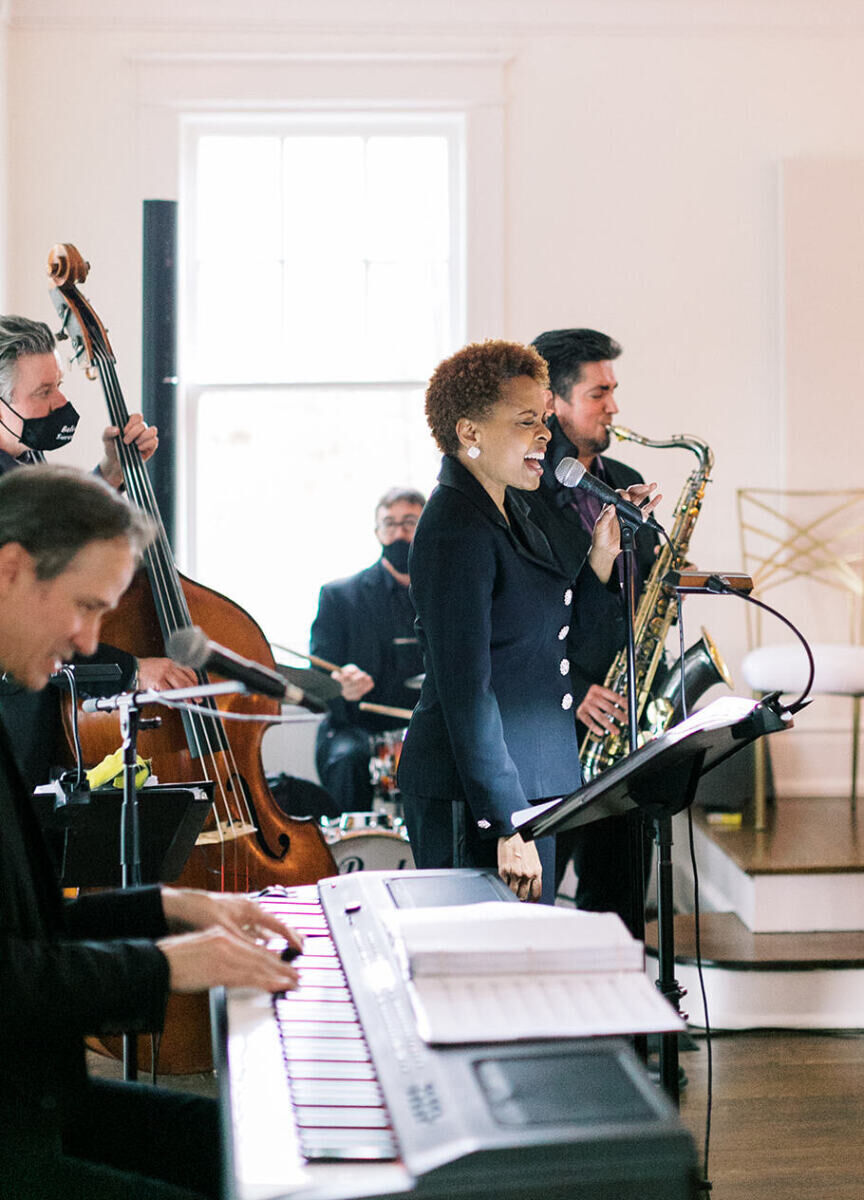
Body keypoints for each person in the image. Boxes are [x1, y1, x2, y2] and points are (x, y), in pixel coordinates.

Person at [0, 465, 302, 1200]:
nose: (89, 643)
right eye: (85, 607)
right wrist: (167, 967)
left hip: (37, 1105)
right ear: (10, 568)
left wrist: (168, 909)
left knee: (267, 1158)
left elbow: (28, 938)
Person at [396, 340, 658, 904]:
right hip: (476, 797)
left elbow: (550, 629)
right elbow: (468, 692)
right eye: (525, 422)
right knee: (479, 975)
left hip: (535, 784)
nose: (544, 433)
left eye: (542, 420)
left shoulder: (512, 507)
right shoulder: (454, 528)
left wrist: (603, 556)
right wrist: (505, 822)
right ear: (470, 432)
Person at [0, 314, 196, 788]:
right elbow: (37, 607)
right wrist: (131, 668)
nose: (61, 403)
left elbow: (54, 539)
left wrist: (109, 473)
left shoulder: (24, 463)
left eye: (59, 386)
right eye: (42, 392)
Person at [521, 327, 659, 926]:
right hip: (553, 728)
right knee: (539, 908)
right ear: (553, 401)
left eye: (613, 390)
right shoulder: (522, 487)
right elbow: (520, 615)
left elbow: (637, 589)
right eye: (599, 392)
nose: (614, 406)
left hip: (623, 724)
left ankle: (626, 1018)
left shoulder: (622, 474)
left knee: (621, 902)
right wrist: (573, 689)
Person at [310, 486, 426, 812]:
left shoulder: (445, 595)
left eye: (409, 522)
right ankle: (352, 857)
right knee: (349, 759)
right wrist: (339, 683)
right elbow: (319, 678)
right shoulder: (340, 596)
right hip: (357, 728)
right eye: (389, 524)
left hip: (422, 727)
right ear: (378, 532)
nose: (398, 533)